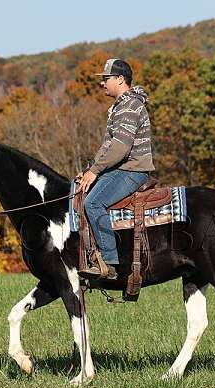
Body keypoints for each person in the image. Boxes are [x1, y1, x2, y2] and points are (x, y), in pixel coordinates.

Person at [77, 58, 155, 280]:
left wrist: (95, 171)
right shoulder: (120, 107)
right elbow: (107, 146)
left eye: (106, 79)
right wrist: (91, 169)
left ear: (120, 79)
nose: (102, 83)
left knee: (93, 203)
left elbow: (120, 148)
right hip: (121, 168)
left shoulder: (130, 106)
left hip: (132, 170)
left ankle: (109, 263)